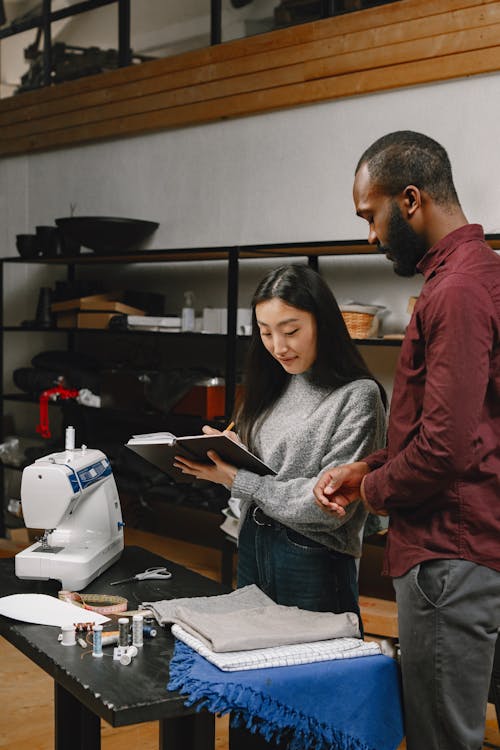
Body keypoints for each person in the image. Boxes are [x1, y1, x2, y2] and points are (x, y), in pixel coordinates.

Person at [313, 130, 500, 750]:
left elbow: (444, 449)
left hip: (450, 550)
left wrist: (370, 487)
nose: (370, 233)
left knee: (440, 739)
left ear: (411, 199)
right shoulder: (478, 275)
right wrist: (367, 465)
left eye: (371, 215)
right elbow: (448, 426)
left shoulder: (457, 292)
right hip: (470, 543)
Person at [174, 263, 386, 622]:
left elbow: (327, 508)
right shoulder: (269, 387)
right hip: (254, 544)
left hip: (314, 561)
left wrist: (238, 480)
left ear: (323, 324)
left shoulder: (357, 396)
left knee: (315, 671)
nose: (278, 347)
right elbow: (257, 472)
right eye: (266, 332)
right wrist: (228, 452)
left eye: (290, 331)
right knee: (256, 661)